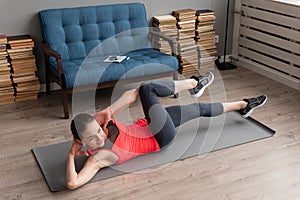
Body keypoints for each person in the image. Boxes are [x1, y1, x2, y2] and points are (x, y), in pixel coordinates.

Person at [66, 71, 267, 190]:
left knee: (198, 109)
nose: (99, 137)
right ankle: (193, 83)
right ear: (82, 142)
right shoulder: (98, 159)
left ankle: (244, 105)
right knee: (148, 88)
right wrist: (70, 155)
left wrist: (107, 111)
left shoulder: (103, 124)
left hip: (149, 123)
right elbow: (72, 183)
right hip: (159, 136)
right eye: (91, 139)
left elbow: (132, 94)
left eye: (98, 132)